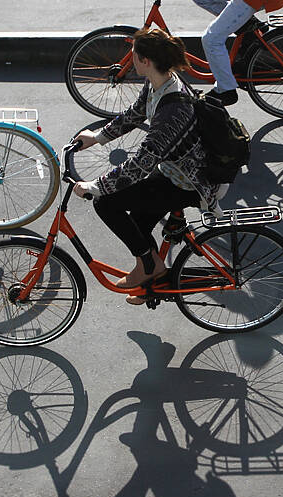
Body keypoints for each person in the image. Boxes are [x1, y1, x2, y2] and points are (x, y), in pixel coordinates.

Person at [72, 29, 222, 304]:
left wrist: (96, 186)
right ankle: (152, 277)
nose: (130, 60)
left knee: (105, 203)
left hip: (187, 182)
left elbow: (142, 163)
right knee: (138, 222)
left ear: (144, 61)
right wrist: (96, 137)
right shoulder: (159, 82)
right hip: (172, 170)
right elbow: (136, 113)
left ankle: (148, 268)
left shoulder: (173, 108)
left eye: (133, 56)